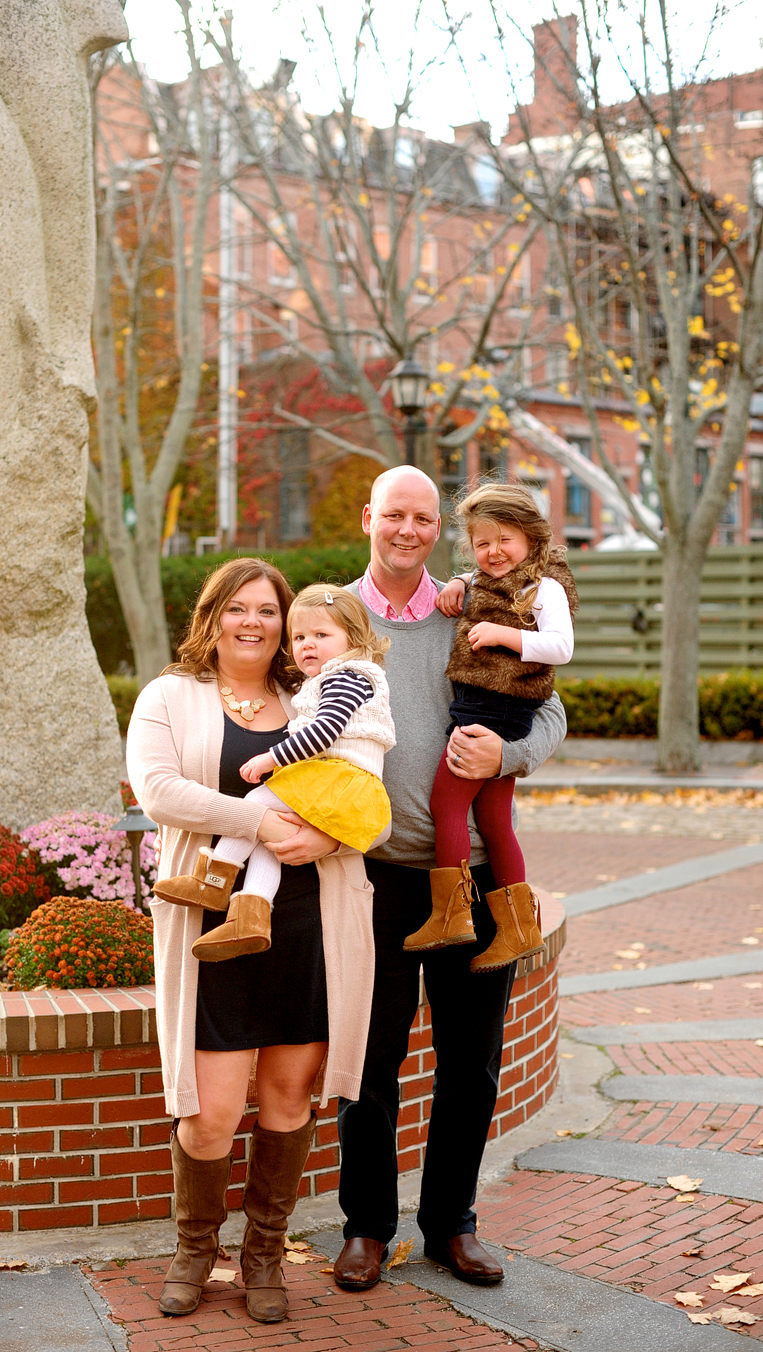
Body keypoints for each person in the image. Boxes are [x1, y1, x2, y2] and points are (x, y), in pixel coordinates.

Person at [333, 465, 567, 1292]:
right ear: (369, 517)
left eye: (423, 518)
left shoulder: (471, 605)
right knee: (371, 1063)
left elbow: (551, 705)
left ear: (439, 530)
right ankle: (366, 1226)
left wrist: (512, 754)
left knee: (471, 1063)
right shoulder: (335, 615)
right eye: (393, 514)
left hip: (472, 877)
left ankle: (450, 1226)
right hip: (375, 876)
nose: (407, 529)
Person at [127, 558, 376, 1325]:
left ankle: (263, 1253)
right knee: (209, 1111)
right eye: (239, 608)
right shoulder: (171, 696)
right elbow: (158, 789)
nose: (255, 622)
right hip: (210, 927)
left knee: (287, 1100)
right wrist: (260, 823)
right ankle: (194, 1249)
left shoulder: (317, 695)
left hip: (306, 926)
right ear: (213, 616)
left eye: (269, 611)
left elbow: (366, 797)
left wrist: (323, 840)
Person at [154, 584, 395, 962]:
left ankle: (214, 880)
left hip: (337, 783)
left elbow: (323, 732)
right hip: (334, 782)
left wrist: (272, 759)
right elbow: (159, 793)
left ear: (353, 638)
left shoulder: (345, 677)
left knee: (259, 799)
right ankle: (251, 914)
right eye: (300, 636)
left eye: (321, 635)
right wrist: (270, 825)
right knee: (271, 837)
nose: (307, 645)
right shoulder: (169, 693)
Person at [403, 483, 577, 967]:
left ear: (532, 539)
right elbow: (478, 579)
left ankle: (452, 915)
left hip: (496, 708)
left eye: (505, 540)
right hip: (492, 705)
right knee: (495, 820)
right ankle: (520, 929)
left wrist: (505, 634)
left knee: (446, 805)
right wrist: (460, 582)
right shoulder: (489, 579)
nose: (493, 552)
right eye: (482, 544)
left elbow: (561, 647)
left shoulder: (544, 588)